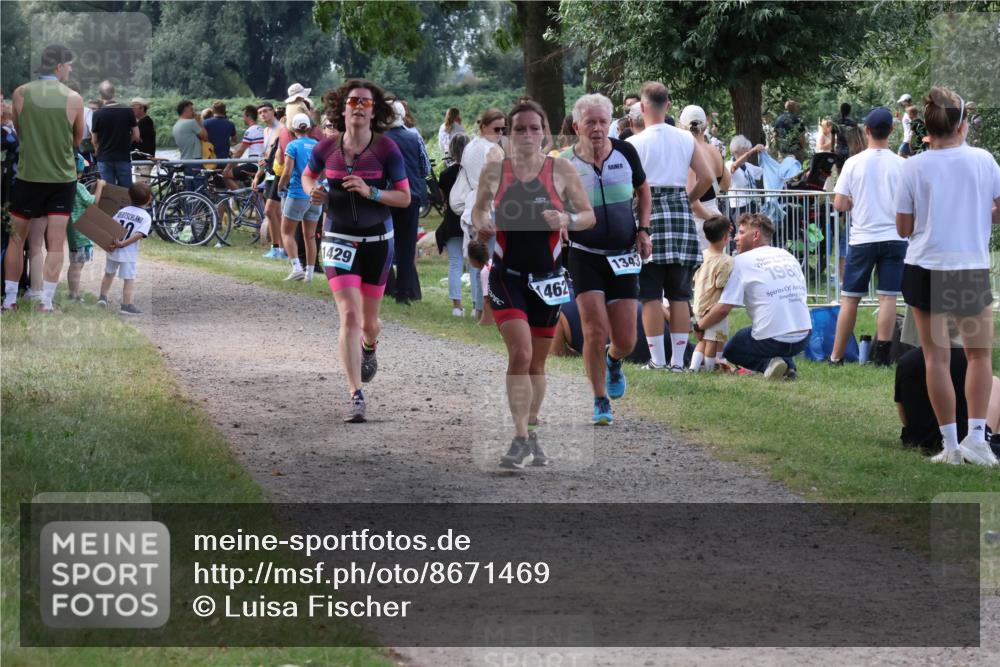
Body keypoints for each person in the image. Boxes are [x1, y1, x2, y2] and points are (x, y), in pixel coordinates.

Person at [472, 98, 595, 467]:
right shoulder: (496, 170)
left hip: (548, 279)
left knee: (538, 365)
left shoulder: (561, 170)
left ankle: (530, 431)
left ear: (544, 133)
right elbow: (478, 207)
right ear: (508, 134)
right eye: (519, 129)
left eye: (534, 128)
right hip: (507, 276)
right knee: (521, 354)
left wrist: (566, 220)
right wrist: (482, 221)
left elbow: (588, 216)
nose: (527, 135)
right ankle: (520, 438)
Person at [895, 86, 1000, 466]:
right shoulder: (984, 161)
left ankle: (951, 447)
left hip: (925, 266)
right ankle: (977, 439)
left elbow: (904, 227)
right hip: (968, 266)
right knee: (978, 356)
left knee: (935, 359)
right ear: (962, 125)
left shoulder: (913, 166)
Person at [301, 79, 411, 423]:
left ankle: (370, 346)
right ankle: (355, 395)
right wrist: (314, 192)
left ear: (374, 110)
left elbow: (405, 198)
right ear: (343, 108)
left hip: (377, 241)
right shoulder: (326, 147)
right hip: (337, 237)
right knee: (348, 315)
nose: (359, 107)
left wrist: (371, 192)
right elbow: (308, 177)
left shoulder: (386, 150)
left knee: (369, 322)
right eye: (353, 101)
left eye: (366, 102)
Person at [562, 93, 651, 425]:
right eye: (590, 123)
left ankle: (614, 361)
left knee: (626, 339)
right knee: (594, 329)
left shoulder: (626, 152)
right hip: (585, 256)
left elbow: (644, 190)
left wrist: (644, 230)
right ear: (577, 126)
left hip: (624, 255)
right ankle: (600, 399)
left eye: (602, 122)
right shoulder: (565, 163)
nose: (597, 129)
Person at [626, 81, 713, 371]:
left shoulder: (633, 144)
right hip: (679, 212)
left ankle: (657, 360)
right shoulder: (685, 138)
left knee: (649, 293)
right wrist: (686, 200)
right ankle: (677, 362)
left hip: (646, 215)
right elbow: (706, 177)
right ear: (669, 105)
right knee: (679, 294)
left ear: (642, 106)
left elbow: (627, 187)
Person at [3, 45, 85, 314]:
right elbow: (77, 139)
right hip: (61, 178)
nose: (70, 70)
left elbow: (20, 130)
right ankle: (46, 302)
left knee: (17, 239)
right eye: (69, 65)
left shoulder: (21, 93)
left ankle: (9, 300)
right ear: (59, 66)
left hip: (28, 176)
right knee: (56, 240)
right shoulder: (73, 98)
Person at [829, 107, 906, 367]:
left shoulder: (853, 163)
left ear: (866, 130)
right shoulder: (902, 164)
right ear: (892, 131)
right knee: (888, 297)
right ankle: (882, 358)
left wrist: (852, 202)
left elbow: (839, 203)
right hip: (895, 237)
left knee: (850, 298)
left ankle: (836, 356)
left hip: (862, 237)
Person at [694, 213, 812, 380]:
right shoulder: (787, 255)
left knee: (732, 350)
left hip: (773, 338)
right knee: (771, 332)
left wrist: (699, 326)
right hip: (804, 335)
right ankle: (787, 366)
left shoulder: (742, 261)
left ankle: (769, 365)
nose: (735, 238)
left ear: (755, 235)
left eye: (741, 233)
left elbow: (723, 308)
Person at [457, 108, 507, 322]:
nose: (500, 133)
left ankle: (479, 309)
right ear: (484, 126)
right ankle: (487, 310)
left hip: (472, 206)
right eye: (497, 129)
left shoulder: (469, 147)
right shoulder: (493, 150)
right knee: (491, 261)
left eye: (503, 129)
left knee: (478, 261)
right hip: (489, 207)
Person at [384, 101, 429, 304]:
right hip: (412, 195)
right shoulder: (414, 136)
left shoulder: (379, 139)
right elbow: (426, 168)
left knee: (385, 242)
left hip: (386, 196)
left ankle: (387, 287)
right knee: (406, 245)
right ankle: (405, 292)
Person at [277, 113, 322, 282]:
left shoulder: (292, 145)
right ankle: (309, 274)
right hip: (315, 193)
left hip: (297, 193)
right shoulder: (317, 145)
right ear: (309, 127)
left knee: (286, 232)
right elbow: (322, 171)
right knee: (310, 236)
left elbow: (287, 172)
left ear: (293, 128)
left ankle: (296, 267)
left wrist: (280, 186)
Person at [681, 104, 732, 251]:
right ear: (705, 125)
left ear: (682, 126)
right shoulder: (714, 151)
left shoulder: (690, 152)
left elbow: (693, 203)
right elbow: (726, 185)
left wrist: (713, 219)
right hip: (714, 214)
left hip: (700, 222)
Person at [97, 181, 153, 315]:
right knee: (129, 279)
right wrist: (124, 243)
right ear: (148, 199)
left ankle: (102, 298)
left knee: (109, 273)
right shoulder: (145, 216)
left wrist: (110, 243)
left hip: (113, 249)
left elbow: (111, 227)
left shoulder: (122, 211)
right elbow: (139, 234)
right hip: (128, 253)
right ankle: (126, 305)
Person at [690, 215, 734, 372]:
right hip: (713, 308)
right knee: (712, 341)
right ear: (725, 238)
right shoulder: (727, 261)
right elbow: (721, 284)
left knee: (702, 341)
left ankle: (693, 368)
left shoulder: (701, 255)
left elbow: (694, 277)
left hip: (698, 304)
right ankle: (710, 369)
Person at [435, 132, 471, 316]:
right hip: (471, 222)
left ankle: (457, 306)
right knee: (474, 264)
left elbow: (443, 200)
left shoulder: (445, 174)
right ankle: (477, 307)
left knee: (455, 263)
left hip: (451, 222)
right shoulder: (475, 173)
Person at [67, 154, 104, 301]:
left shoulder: (66, 186)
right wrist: (100, 187)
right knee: (78, 266)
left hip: (72, 232)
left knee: (73, 264)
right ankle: (75, 295)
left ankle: (72, 293)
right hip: (81, 233)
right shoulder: (79, 187)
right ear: (80, 172)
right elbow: (93, 201)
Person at [90, 80, 138, 187]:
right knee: (126, 192)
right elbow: (136, 135)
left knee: (109, 193)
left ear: (101, 96)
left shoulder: (97, 114)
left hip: (104, 158)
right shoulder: (127, 110)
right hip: (123, 157)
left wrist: (99, 150)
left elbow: (94, 140)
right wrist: (126, 144)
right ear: (114, 93)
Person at [726, 136, 764, 225]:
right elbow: (734, 167)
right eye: (745, 150)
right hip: (739, 206)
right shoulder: (728, 164)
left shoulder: (749, 166)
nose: (748, 152)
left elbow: (765, 171)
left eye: (748, 149)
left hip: (752, 204)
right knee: (743, 231)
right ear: (736, 150)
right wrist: (753, 151)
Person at [171, 100, 208, 190]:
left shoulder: (176, 125)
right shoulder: (191, 123)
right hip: (195, 160)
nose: (194, 112)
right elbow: (205, 137)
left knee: (190, 190)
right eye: (192, 109)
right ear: (185, 110)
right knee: (200, 189)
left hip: (185, 160)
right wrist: (199, 121)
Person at [225, 105, 264, 188]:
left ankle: (240, 198)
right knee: (258, 195)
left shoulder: (250, 131)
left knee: (226, 175)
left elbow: (240, 152)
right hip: (261, 165)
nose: (243, 119)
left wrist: (227, 168)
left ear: (248, 117)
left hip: (253, 165)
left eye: (243, 116)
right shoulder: (261, 129)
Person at [130, 97, 156, 182]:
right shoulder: (140, 122)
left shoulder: (146, 122)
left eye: (134, 107)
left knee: (143, 187)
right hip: (140, 160)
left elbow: (135, 137)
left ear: (141, 108)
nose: (132, 109)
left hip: (144, 160)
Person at [832, 102, 857, 169]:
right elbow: (855, 138)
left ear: (840, 110)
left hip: (839, 151)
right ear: (849, 111)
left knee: (840, 174)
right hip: (851, 151)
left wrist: (832, 150)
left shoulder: (836, 123)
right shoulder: (853, 123)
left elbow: (833, 139)